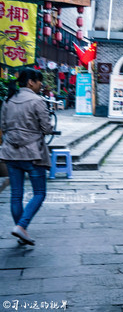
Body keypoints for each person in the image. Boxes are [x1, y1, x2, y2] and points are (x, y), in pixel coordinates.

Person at [0, 69, 53, 246]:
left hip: (11, 153)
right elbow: (47, 128)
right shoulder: (37, 101)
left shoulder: (9, 100)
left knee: (16, 194)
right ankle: (22, 226)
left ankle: (21, 231)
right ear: (30, 82)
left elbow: (3, 126)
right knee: (39, 193)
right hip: (32, 154)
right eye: (39, 82)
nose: (41, 85)